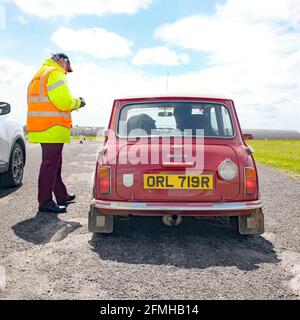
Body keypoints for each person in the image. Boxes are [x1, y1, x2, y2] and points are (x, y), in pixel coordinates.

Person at [27, 53, 86, 214]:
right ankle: (45, 202)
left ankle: (62, 195)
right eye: (68, 67)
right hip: (52, 126)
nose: (67, 71)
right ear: (62, 61)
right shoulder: (54, 73)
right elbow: (64, 101)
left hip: (41, 125)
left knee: (54, 163)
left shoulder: (39, 75)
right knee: (50, 164)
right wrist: (79, 102)